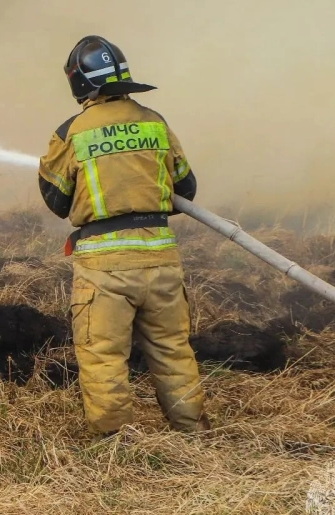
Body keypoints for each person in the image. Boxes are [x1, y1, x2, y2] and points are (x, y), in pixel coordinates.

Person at [37, 35, 210, 435]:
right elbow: (186, 188)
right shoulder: (155, 122)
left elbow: (57, 199)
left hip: (105, 268)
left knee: (103, 357)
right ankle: (193, 433)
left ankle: (113, 445)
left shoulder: (72, 132)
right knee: (173, 350)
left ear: (79, 83)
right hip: (162, 260)